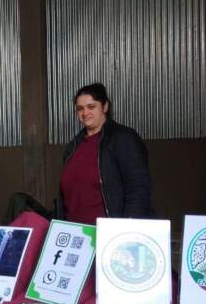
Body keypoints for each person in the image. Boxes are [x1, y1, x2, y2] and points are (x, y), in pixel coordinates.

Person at [55, 83, 153, 224]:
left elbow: (138, 188)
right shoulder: (74, 146)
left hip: (108, 234)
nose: (85, 113)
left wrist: (125, 230)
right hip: (75, 232)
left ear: (105, 107)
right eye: (80, 109)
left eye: (91, 106)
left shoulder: (123, 138)